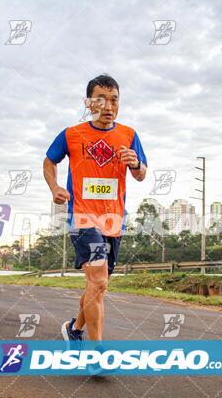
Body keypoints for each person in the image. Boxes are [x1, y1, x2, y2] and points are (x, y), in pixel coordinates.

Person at [43, 74, 147, 348]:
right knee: (99, 280)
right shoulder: (71, 134)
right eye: (101, 99)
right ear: (89, 102)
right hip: (82, 217)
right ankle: (97, 351)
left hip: (114, 220)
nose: (109, 106)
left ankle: (74, 328)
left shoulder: (129, 135)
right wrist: (54, 187)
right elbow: (49, 161)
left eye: (114, 100)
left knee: (97, 285)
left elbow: (141, 175)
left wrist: (135, 163)